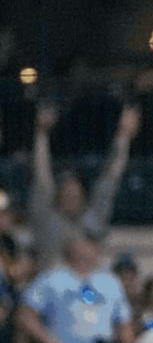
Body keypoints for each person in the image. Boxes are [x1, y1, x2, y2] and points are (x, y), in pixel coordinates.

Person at [29, 102, 139, 270]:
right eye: (66, 194)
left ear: (83, 197)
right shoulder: (47, 218)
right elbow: (41, 175)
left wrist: (123, 138)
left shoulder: (93, 218)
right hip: (51, 288)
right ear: (57, 197)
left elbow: (110, 180)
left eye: (75, 195)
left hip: (87, 290)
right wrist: (41, 134)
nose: (71, 198)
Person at [17, 231, 133, 343]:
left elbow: (123, 324)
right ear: (72, 246)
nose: (89, 248)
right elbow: (25, 315)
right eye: (85, 242)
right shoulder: (51, 279)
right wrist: (49, 342)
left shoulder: (111, 282)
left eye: (93, 243)